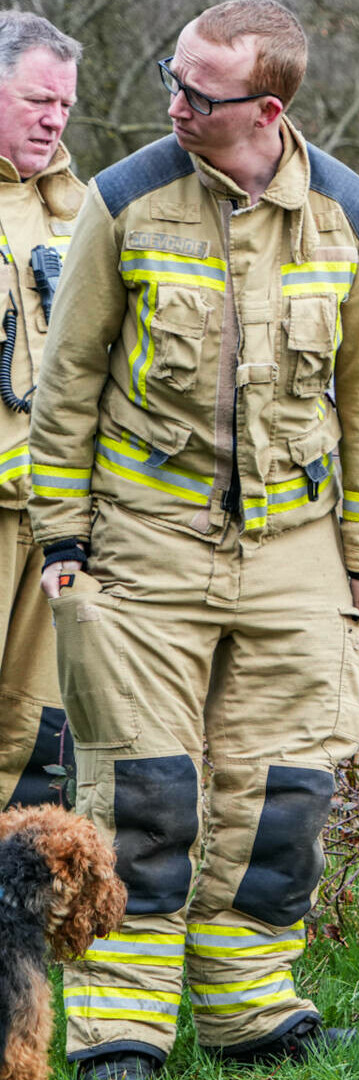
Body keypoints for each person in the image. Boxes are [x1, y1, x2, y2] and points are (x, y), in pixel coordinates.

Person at [27, 2, 359, 1075]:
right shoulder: (125, 198)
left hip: (298, 554)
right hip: (142, 545)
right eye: (173, 76)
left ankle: (249, 1008)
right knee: (142, 798)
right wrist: (63, 535)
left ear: (267, 109)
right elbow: (70, 376)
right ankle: (122, 1028)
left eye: (199, 91)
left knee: (280, 799)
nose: (174, 102)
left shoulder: (353, 216)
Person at [0, 11, 83, 813]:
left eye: (64, 104)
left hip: (53, 518)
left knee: (36, 729)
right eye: (37, 100)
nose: (54, 118)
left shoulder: (83, 212)